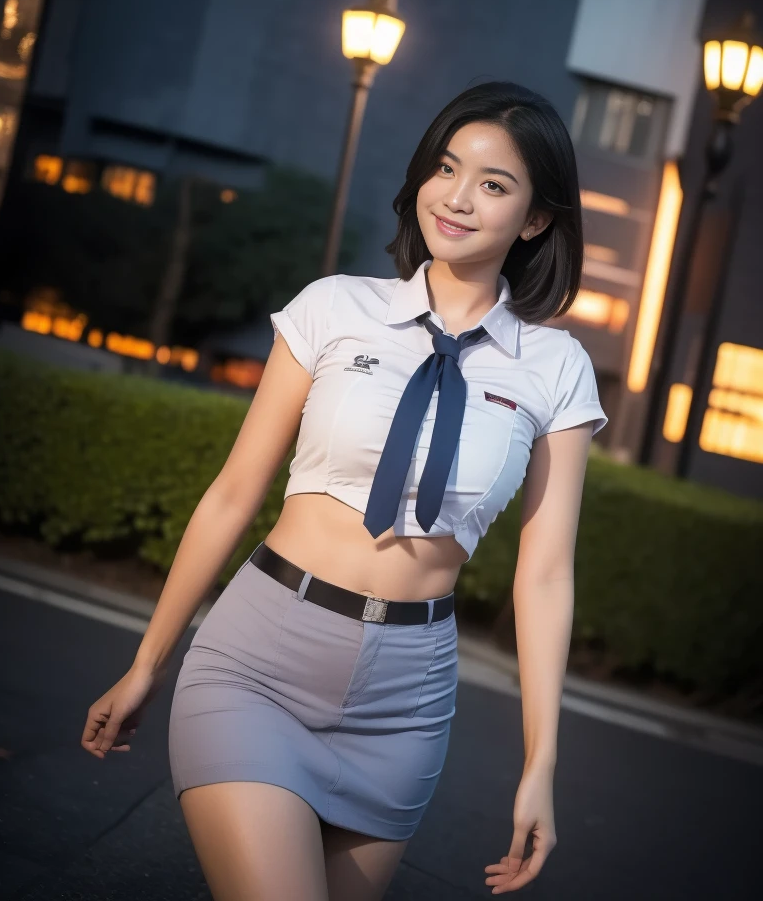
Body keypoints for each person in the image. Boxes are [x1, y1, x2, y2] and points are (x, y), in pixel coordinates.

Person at [81, 80, 607, 900]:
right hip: (258, 661)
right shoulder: (334, 309)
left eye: (494, 184)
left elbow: (544, 576)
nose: (458, 198)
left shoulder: (556, 368)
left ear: (537, 218)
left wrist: (540, 767)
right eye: (446, 168)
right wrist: (148, 660)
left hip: (406, 702)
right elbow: (232, 494)